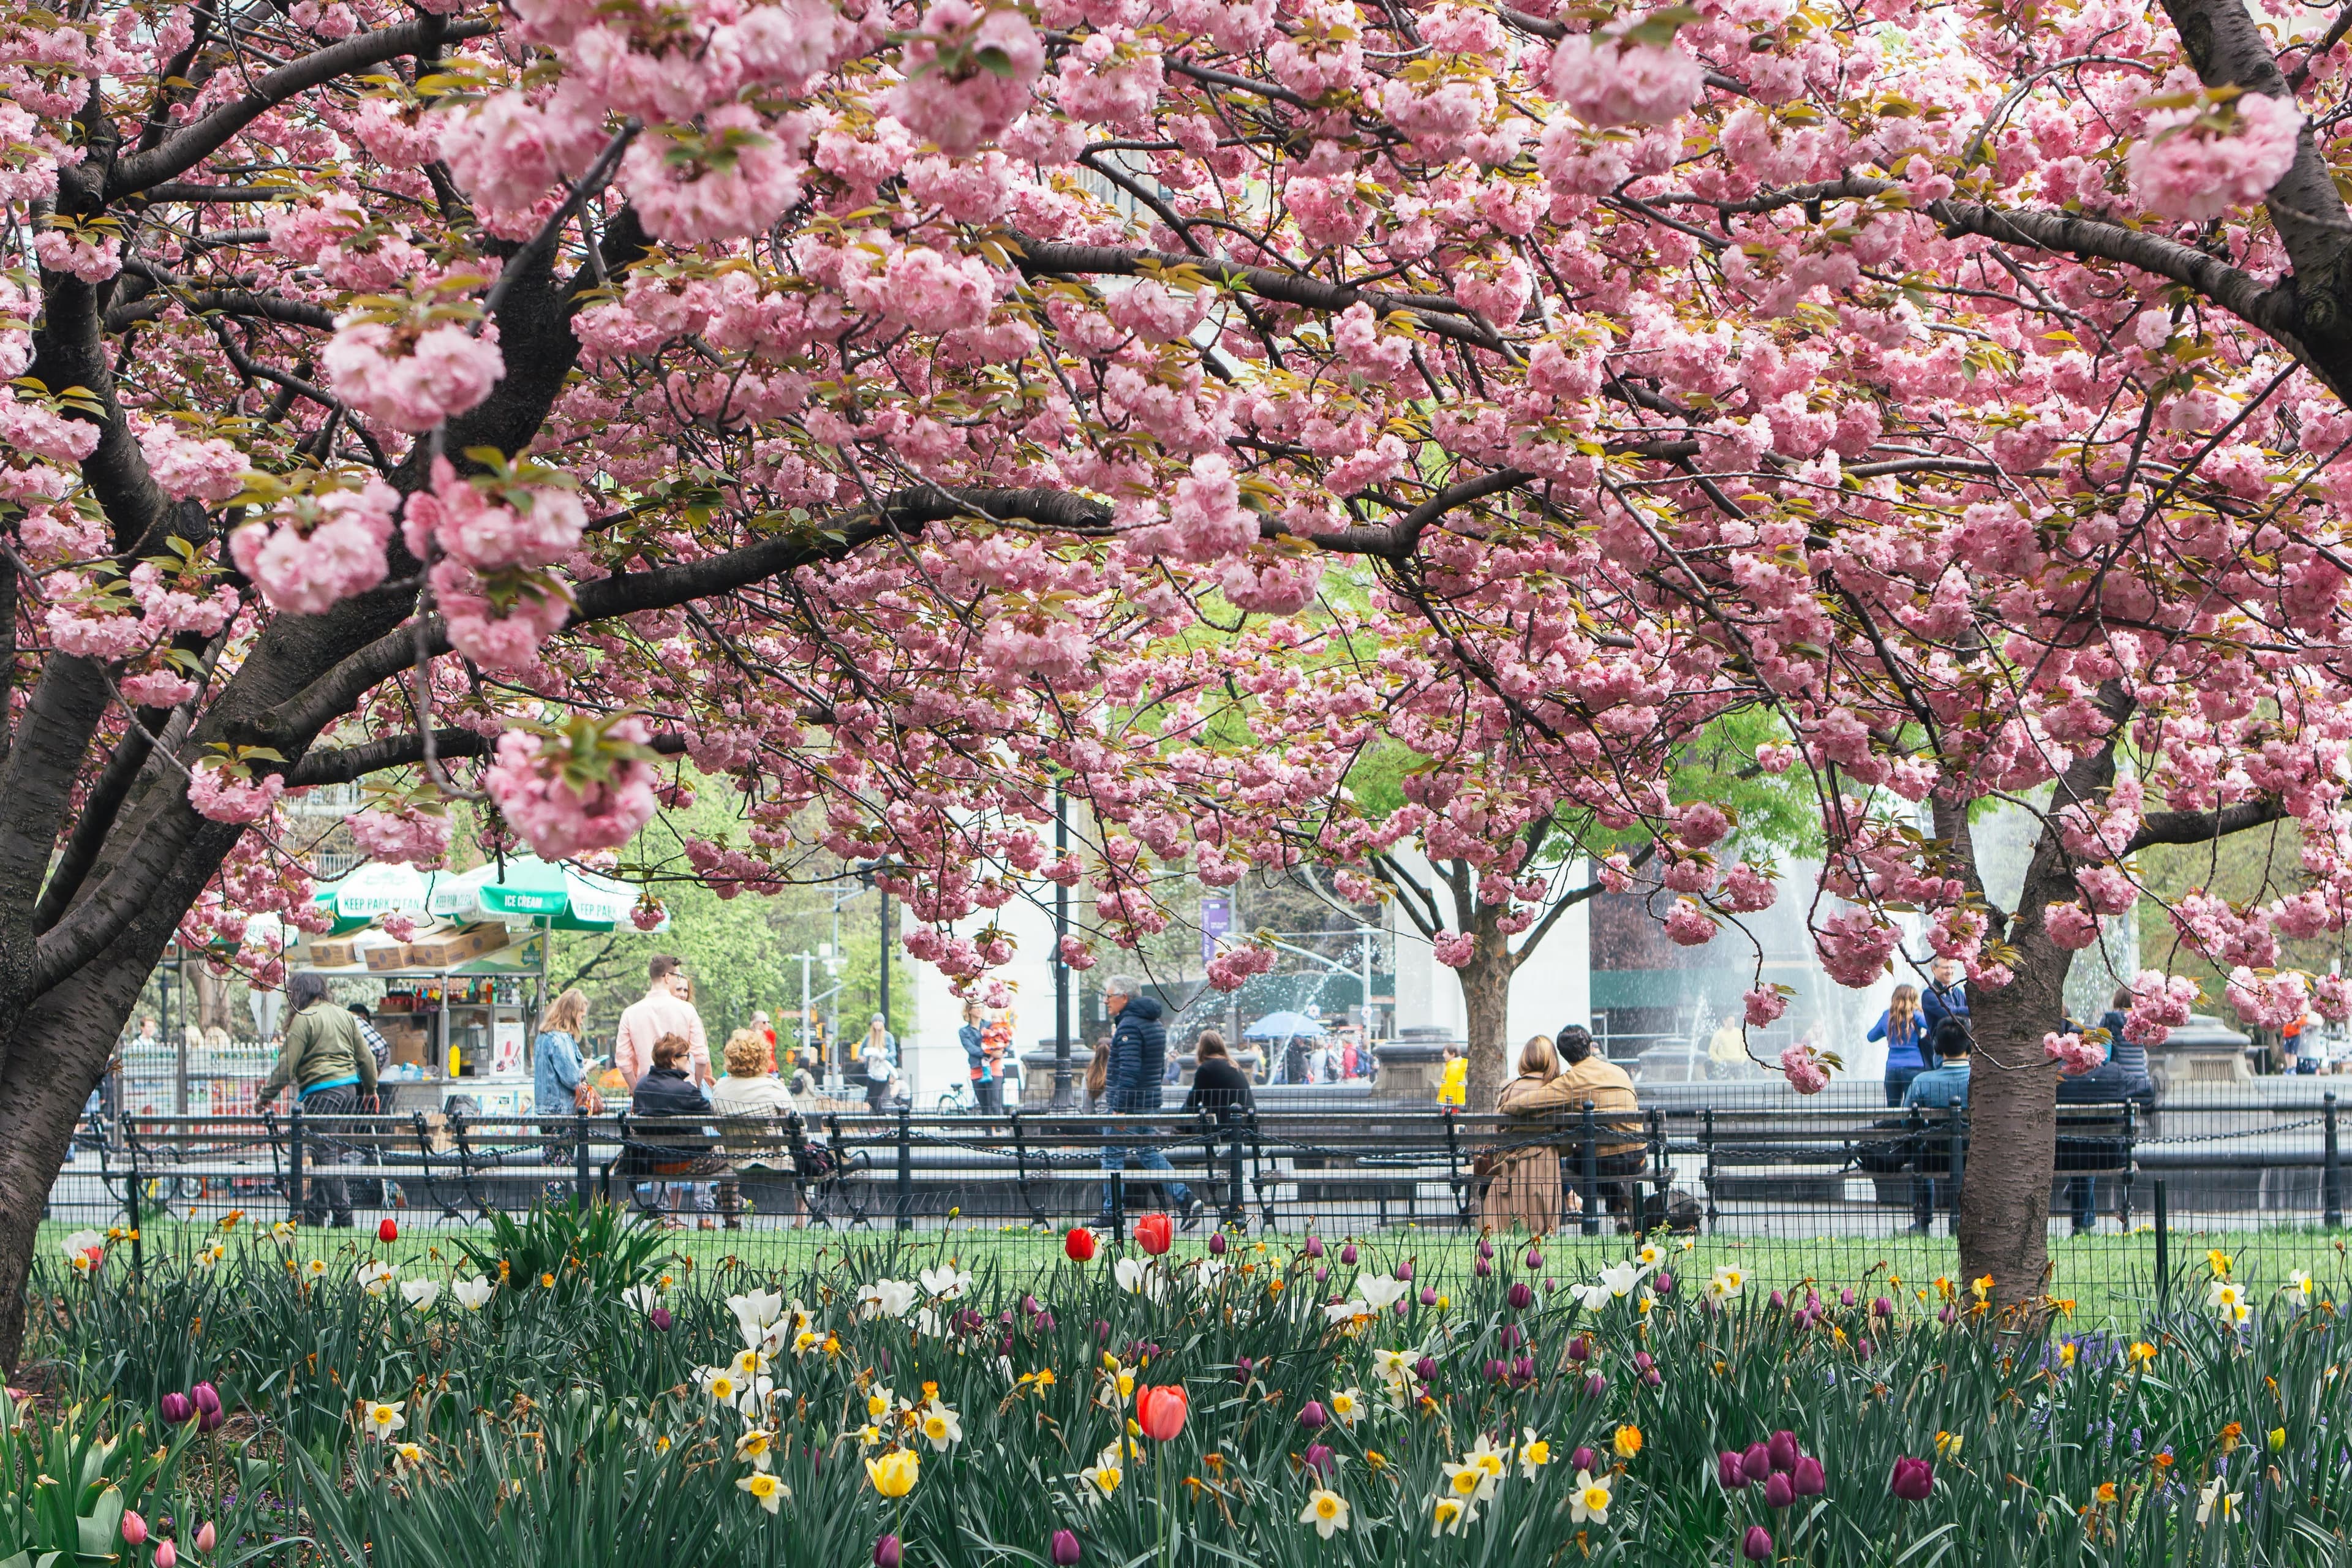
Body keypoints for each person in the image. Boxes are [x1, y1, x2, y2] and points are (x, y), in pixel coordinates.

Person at [258, 971, 379, 1228]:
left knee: (325, 1153)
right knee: (324, 1153)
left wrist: (265, 1097)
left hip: (322, 1091)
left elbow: (286, 1065)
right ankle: (315, 1216)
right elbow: (367, 1058)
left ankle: (345, 1218)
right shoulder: (345, 1015)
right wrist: (370, 1090)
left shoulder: (305, 1018)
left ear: (299, 992)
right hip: (350, 1092)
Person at [1095, 975, 1201, 1228]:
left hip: (1129, 1104)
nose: (1106, 1001)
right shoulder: (1153, 1023)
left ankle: (1112, 1211)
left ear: (1125, 997)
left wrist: (1120, 1109)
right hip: (1149, 1099)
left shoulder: (1130, 1026)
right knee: (1148, 1152)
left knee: (1112, 1155)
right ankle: (1186, 1198)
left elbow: (1129, 1071)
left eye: (1109, 996)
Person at [1483, 1034, 1582, 1235]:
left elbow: (1499, 1132)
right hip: (1545, 1162)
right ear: (1552, 1060)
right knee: (1541, 1231)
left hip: (1510, 1165)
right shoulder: (1556, 1090)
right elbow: (1564, 1145)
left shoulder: (1508, 1088)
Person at [1550, 1026, 1647, 1229]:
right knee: (1602, 1156)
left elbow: (1533, 1101)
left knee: (1580, 1162)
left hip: (1607, 1163)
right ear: (1590, 1045)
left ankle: (1615, 1207)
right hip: (1639, 1158)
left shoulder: (1572, 1081)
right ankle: (1620, 1208)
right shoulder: (1619, 1072)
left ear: (1564, 1055)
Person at [628, 1032, 717, 1227]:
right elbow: (710, 1115)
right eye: (686, 1057)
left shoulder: (642, 1087)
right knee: (723, 1157)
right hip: (685, 1163)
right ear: (673, 1060)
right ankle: (708, 1216)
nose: (689, 1061)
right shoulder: (686, 1090)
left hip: (650, 1162)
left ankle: (661, 1217)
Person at [1902, 1018, 1973, 1234]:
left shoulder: (1922, 1081)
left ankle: (1923, 1222)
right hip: (1974, 1156)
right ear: (1970, 1045)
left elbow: (1906, 1120)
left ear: (1937, 1048)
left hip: (1934, 1156)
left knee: (1920, 1154)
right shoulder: (1980, 1078)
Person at [614, 956, 710, 1087]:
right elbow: (701, 1057)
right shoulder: (687, 1010)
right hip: (682, 1088)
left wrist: (636, 1089)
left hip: (648, 1090)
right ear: (668, 977)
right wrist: (696, 1086)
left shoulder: (630, 1013)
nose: (679, 981)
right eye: (678, 976)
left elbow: (623, 1060)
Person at [1869, 984, 1928, 1106]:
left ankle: (1894, 1125)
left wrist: (1889, 1032)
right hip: (1915, 1066)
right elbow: (1933, 1027)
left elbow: (1871, 1037)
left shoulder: (1887, 1016)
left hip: (1892, 1067)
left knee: (1893, 1107)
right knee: (1913, 1107)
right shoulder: (1916, 1015)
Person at [1182, 1030, 1256, 1122]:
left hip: (1223, 1124)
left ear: (1201, 1048)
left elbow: (1192, 1101)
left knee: (1187, 1113)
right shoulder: (1233, 1065)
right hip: (1246, 1122)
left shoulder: (1205, 1069)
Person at [1921, 957, 1970, 1039]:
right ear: (1934, 969)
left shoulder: (1957, 992)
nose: (1950, 971)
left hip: (1964, 1044)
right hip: (1942, 1048)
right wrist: (1969, 1010)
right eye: (1946, 968)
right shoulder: (1929, 994)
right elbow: (1948, 1013)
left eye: (1952, 968)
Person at [860, 1013, 900, 1112]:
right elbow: (862, 1048)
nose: (877, 1024)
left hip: (883, 1070)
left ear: (883, 1024)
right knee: (870, 1098)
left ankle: (882, 1118)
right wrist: (861, 1056)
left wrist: (884, 1056)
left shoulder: (888, 1037)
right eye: (875, 1021)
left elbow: (893, 1053)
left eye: (879, 1021)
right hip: (872, 1069)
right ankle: (880, 1118)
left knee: (876, 1098)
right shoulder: (869, 1037)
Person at [347, 1002, 391, 1073]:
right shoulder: (355, 1020)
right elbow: (379, 1047)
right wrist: (375, 1067)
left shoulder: (338, 1022)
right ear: (363, 1017)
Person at [1706, 1012, 1747, 1080]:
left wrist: (1742, 1060)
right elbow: (1712, 1051)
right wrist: (1720, 1061)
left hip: (1738, 1063)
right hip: (1725, 1063)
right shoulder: (1719, 1034)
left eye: (1733, 1022)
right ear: (1724, 1022)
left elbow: (1745, 1049)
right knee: (1726, 1084)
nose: (1732, 1024)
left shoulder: (1739, 1033)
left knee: (1742, 1083)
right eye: (1730, 1021)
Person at [1436, 1041, 1468, 1108]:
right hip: (1456, 1100)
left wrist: (1449, 1098)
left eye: (1445, 1053)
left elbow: (1451, 1084)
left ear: (1453, 1054)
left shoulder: (1453, 1067)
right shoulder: (1455, 1065)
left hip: (1451, 1102)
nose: (1443, 1055)